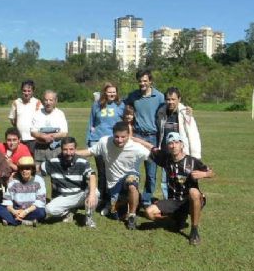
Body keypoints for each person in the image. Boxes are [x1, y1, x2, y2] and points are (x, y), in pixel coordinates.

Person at [134, 132, 214, 245]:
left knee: (194, 192)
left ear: (182, 145)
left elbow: (211, 172)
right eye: (170, 143)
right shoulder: (165, 159)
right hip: (174, 201)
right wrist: (133, 138)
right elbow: (151, 147)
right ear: (167, 146)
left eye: (176, 142)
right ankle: (173, 219)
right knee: (149, 212)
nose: (173, 145)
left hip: (190, 200)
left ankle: (194, 230)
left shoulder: (192, 161)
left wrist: (204, 174)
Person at [76, 121, 150, 230]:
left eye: (123, 137)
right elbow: (89, 152)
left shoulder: (137, 147)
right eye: (117, 137)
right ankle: (125, 202)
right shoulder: (104, 142)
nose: (120, 140)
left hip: (130, 177)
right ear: (112, 134)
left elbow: (153, 156)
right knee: (115, 215)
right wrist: (72, 153)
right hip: (113, 184)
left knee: (132, 183)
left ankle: (132, 216)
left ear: (129, 135)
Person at [124, 70, 165, 207]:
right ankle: (129, 196)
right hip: (136, 136)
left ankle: (146, 199)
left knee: (151, 172)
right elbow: (120, 105)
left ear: (150, 81)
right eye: (140, 81)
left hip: (152, 138)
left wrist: (186, 110)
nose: (142, 83)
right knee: (132, 169)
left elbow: (171, 107)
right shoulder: (133, 96)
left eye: (145, 80)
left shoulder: (159, 96)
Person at [41, 137, 98, 228]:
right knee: (48, 210)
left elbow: (92, 175)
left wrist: (91, 195)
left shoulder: (82, 162)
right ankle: (69, 211)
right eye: (65, 149)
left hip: (80, 195)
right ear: (61, 149)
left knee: (95, 192)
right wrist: (18, 170)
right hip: (64, 196)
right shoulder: (54, 162)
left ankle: (89, 218)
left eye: (71, 149)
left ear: (75, 149)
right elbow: (36, 169)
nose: (68, 153)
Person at [156, 87, 202, 199]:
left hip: (181, 155)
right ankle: (168, 204)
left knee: (183, 180)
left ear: (179, 99)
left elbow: (193, 135)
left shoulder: (185, 113)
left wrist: (195, 156)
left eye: (173, 99)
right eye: (168, 99)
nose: (170, 102)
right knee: (165, 182)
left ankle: (182, 204)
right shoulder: (161, 112)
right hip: (167, 154)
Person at [85, 82, 125, 210]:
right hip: (97, 140)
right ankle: (102, 197)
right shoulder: (96, 105)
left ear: (117, 93)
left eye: (114, 92)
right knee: (102, 171)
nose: (112, 94)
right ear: (104, 93)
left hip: (113, 141)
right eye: (109, 92)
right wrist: (88, 139)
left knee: (113, 171)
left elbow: (126, 123)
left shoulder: (121, 105)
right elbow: (91, 122)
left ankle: (114, 197)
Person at [0, 156, 46, 227]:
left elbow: (40, 201)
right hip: (16, 209)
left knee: (41, 212)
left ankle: (11, 221)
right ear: (19, 170)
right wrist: (14, 212)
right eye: (22, 168)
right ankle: (25, 222)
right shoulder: (14, 180)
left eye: (27, 168)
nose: (24, 171)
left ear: (32, 169)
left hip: (31, 209)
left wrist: (25, 212)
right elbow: (8, 199)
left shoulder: (39, 180)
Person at [31, 90, 68, 171]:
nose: (48, 102)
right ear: (43, 101)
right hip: (40, 149)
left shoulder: (60, 114)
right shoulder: (37, 114)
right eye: (46, 100)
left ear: (55, 101)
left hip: (55, 150)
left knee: (56, 175)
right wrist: (42, 136)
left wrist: (51, 136)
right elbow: (33, 132)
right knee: (38, 175)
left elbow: (64, 133)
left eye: (51, 100)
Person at [8, 80, 42, 155]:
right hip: (20, 139)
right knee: (20, 161)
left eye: (29, 91)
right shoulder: (16, 102)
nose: (26, 93)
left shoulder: (38, 103)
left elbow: (42, 120)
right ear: (21, 91)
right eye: (24, 91)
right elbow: (12, 119)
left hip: (33, 139)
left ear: (33, 91)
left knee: (32, 161)